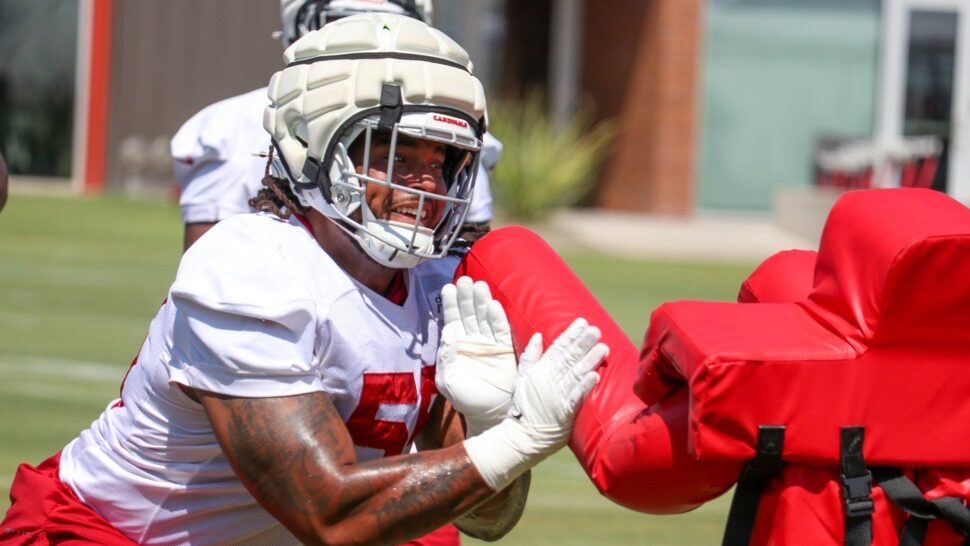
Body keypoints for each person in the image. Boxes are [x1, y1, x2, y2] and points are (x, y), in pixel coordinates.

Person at [1, 14, 606, 545]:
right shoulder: (252, 269)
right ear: (313, 149)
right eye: (397, 156)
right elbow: (328, 512)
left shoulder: (440, 287)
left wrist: (492, 424)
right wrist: (518, 440)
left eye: (442, 162)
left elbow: (486, 519)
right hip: (108, 535)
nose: (427, 186)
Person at [171, 0, 499, 251]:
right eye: (345, 25)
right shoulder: (239, 125)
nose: (368, 43)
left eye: (386, 26)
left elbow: (464, 256)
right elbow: (208, 262)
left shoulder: (450, 128)